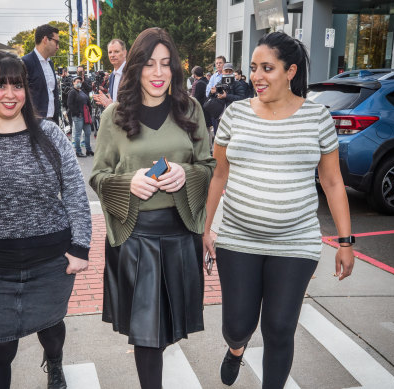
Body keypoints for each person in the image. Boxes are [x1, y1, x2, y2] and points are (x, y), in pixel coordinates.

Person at [203, 31, 355, 388]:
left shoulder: (318, 118)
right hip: (238, 239)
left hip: (296, 242)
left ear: (290, 71)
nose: (257, 75)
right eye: (254, 67)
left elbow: (332, 183)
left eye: (267, 68)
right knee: (237, 325)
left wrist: (346, 242)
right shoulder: (235, 114)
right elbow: (218, 176)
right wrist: (205, 230)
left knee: (280, 328)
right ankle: (236, 348)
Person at [0, 51, 91, 389]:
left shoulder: (51, 136)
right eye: (0, 85)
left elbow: (76, 194)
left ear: (26, 88)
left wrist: (80, 246)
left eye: (17, 85)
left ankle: (54, 362)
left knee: (51, 331)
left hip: (50, 262)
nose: (9, 94)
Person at [90, 27, 215, 389]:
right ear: (135, 68)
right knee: (147, 334)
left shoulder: (190, 110)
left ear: (175, 68)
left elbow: (208, 166)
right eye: (149, 64)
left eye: (166, 64)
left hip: (179, 234)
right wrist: (128, 182)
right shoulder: (114, 115)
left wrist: (186, 173)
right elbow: (98, 176)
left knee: (164, 331)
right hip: (135, 237)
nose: (158, 73)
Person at [22, 24, 61, 123]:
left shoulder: (50, 63)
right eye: (56, 42)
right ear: (45, 39)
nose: (58, 47)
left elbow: (53, 93)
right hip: (34, 123)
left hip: (52, 121)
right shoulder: (26, 62)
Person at [93, 39, 127, 108]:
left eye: (116, 52)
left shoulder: (132, 73)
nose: (112, 55)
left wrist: (110, 105)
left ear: (125, 53)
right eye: (110, 52)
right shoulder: (111, 76)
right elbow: (113, 101)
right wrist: (105, 101)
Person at [68, 76, 94, 157]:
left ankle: (88, 150)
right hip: (78, 116)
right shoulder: (72, 92)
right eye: (77, 81)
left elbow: (88, 102)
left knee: (88, 133)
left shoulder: (82, 92)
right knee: (78, 134)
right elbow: (70, 104)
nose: (79, 83)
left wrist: (89, 111)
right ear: (73, 83)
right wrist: (76, 113)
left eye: (80, 81)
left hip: (86, 116)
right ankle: (78, 151)